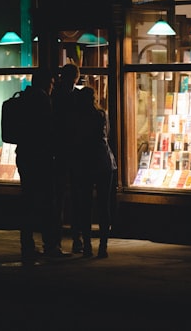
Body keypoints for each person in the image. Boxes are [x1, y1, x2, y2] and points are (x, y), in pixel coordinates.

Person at [16, 67, 71, 262]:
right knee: (49, 202)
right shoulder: (42, 100)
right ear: (46, 82)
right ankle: (50, 244)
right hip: (41, 157)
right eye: (51, 83)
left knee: (28, 200)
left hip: (24, 155)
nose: (52, 87)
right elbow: (49, 130)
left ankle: (27, 244)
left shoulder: (23, 97)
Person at [69, 86, 117, 258]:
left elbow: (75, 140)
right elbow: (107, 135)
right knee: (104, 205)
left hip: (84, 162)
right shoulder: (101, 115)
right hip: (103, 161)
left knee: (85, 205)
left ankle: (87, 245)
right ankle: (103, 246)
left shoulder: (77, 118)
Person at [52, 62, 82, 252]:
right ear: (77, 77)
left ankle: (55, 240)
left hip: (57, 153)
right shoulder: (78, 97)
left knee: (57, 199)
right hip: (75, 153)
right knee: (78, 197)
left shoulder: (53, 96)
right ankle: (77, 239)